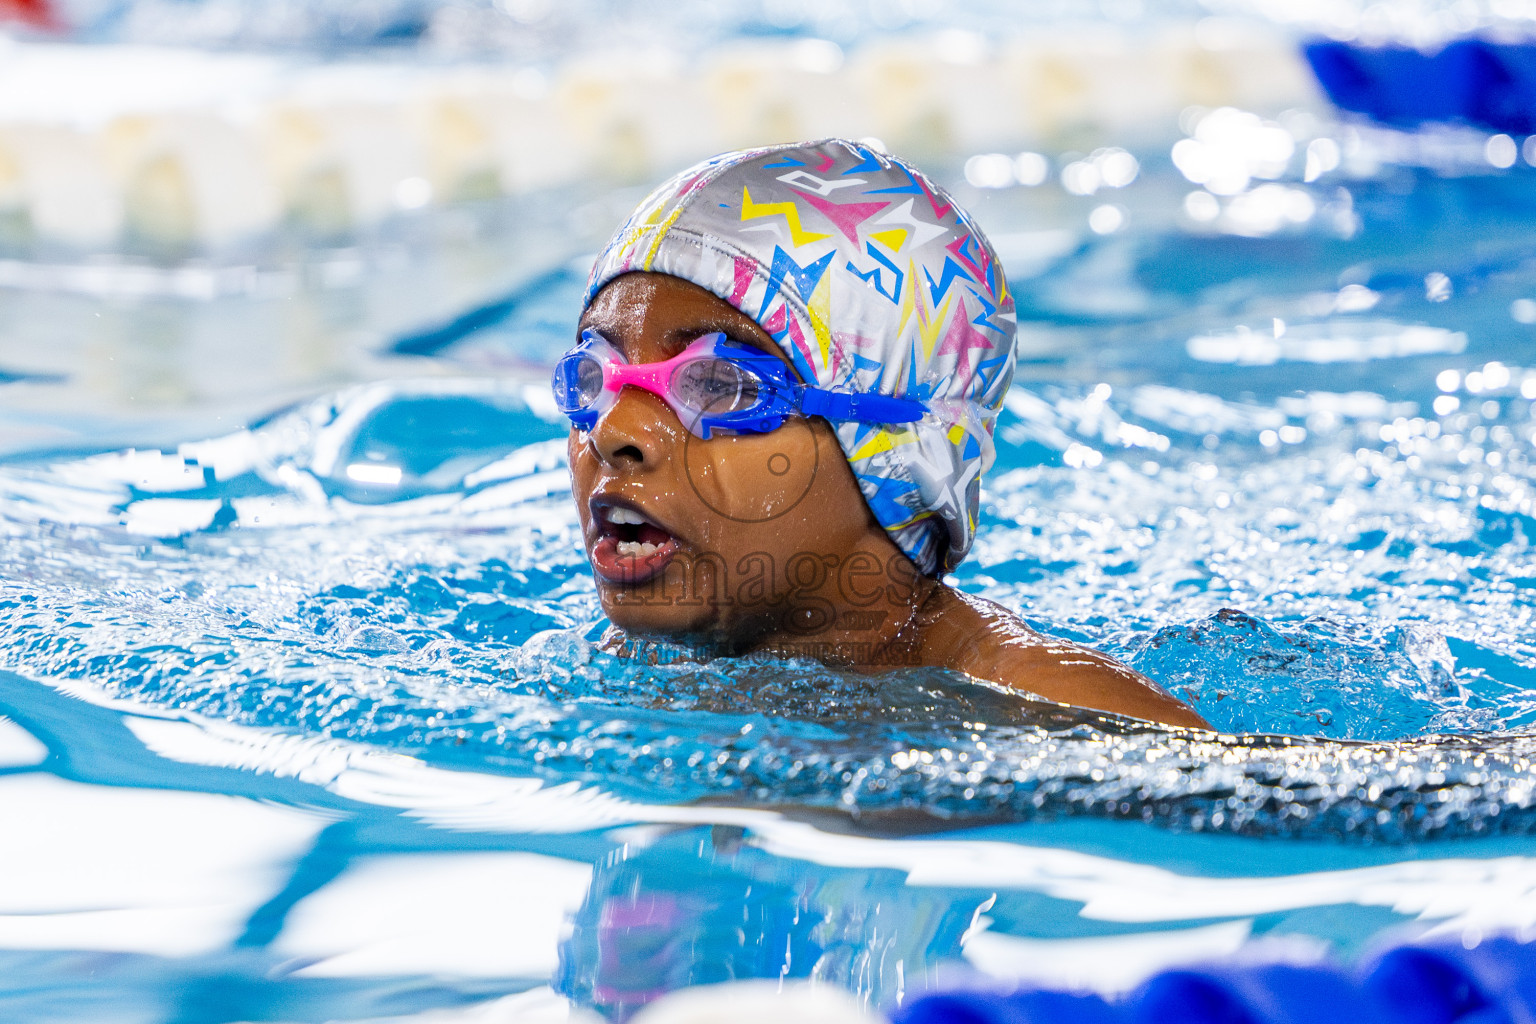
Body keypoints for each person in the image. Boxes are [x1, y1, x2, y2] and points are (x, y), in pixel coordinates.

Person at [554, 138, 1207, 730]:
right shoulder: (627, 669)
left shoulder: (1036, 705)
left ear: (898, 450)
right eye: (594, 376)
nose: (614, 431)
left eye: (720, 383)